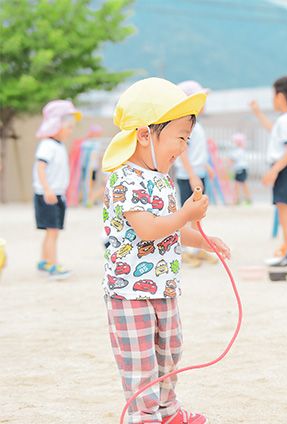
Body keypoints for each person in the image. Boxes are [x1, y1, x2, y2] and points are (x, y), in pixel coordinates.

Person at [100, 77, 231, 424]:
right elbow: (148, 229)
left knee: (169, 353)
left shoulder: (161, 179)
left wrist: (203, 240)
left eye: (188, 139)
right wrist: (185, 214)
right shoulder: (124, 179)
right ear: (145, 135)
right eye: (180, 138)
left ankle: (168, 411)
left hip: (164, 288)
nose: (184, 148)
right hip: (129, 291)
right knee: (140, 360)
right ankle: (144, 416)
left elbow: (170, 228)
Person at [250, 76, 287, 267]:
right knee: (286, 212)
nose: (273, 100)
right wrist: (258, 113)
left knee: (284, 213)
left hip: (285, 169)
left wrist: (274, 171)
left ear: (281, 97)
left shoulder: (285, 121)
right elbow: (273, 131)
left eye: (274, 96)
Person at [33, 99, 81, 279]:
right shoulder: (47, 145)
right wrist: (47, 190)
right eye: (68, 127)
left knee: (52, 231)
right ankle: (53, 265)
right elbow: (40, 167)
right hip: (48, 195)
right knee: (52, 231)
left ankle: (44, 261)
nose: (70, 131)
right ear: (56, 126)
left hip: (56, 194)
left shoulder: (57, 145)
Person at [174, 80, 217, 267]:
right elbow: (183, 151)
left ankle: (197, 249)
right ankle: (184, 251)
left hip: (197, 173)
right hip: (188, 176)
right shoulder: (185, 124)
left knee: (198, 215)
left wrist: (205, 167)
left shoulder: (195, 124)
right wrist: (192, 175)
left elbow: (196, 151)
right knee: (187, 214)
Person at [227, 132, 251, 205]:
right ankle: (241, 199)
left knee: (239, 185)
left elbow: (232, 160)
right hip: (241, 170)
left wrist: (227, 166)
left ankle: (242, 200)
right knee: (240, 185)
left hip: (241, 170)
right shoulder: (240, 150)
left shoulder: (238, 151)